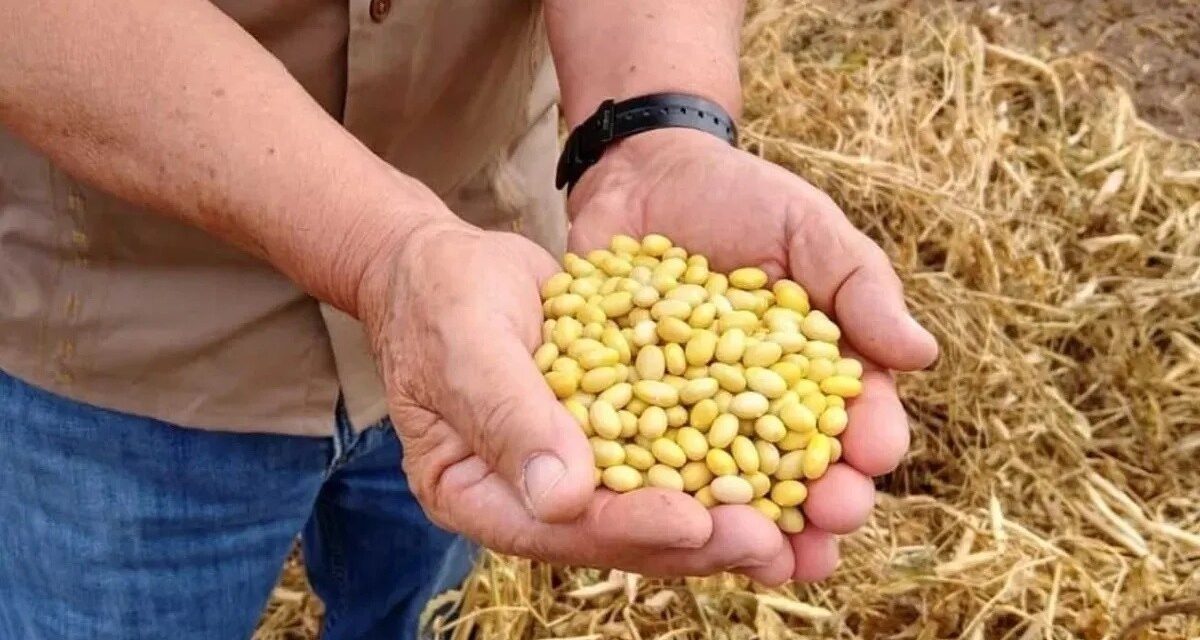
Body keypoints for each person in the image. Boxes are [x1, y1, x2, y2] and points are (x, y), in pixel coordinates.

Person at [0, 1, 938, 638]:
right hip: (116, 331)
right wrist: (381, 252)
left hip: (499, 303)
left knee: (414, 607)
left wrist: (653, 124)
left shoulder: (572, 337)